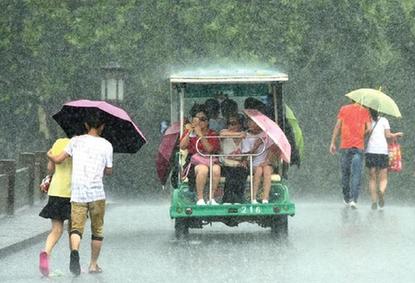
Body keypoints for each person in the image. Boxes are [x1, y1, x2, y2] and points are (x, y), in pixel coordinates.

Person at [47, 112, 113, 276]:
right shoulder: (107, 145)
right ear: (102, 127)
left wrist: (50, 155)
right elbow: (109, 171)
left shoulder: (75, 142)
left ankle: (74, 251)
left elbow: (58, 159)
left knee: (76, 228)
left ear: (86, 125)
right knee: (97, 230)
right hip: (97, 193)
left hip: (78, 193)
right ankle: (93, 264)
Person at [38, 137, 72, 277]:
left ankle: (46, 252)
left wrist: (51, 157)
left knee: (56, 230)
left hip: (56, 190)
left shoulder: (58, 142)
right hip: (72, 192)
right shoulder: (80, 144)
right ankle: (74, 262)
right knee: (73, 230)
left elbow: (50, 168)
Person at [330, 100, 371, 209]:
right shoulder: (365, 111)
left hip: (345, 146)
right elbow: (369, 128)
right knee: (356, 174)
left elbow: (337, 127)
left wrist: (333, 142)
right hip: (358, 147)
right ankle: (354, 200)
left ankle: (346, 197)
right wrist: (362, 134)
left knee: (345, 173)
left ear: (352, 99)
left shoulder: (344, 109)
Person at [180, 104, 221, 205]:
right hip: (195, 162)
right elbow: (182, 146)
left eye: (203, 119)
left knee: (216, 169)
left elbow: (210, 149)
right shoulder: (190, 132)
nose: (200, 122)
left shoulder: (212, 134)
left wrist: (201, 135)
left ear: (207, 121)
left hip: (210, 159)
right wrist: (190, 132)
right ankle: (200, 198)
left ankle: (211, 198)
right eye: (197, 119)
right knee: (203, 169)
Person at [365, 109, 403, 209]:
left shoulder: (367, 120)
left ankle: (374, 202)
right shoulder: (384, 120)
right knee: (384, 177)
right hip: (382, 151)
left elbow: (365, 133)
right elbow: (388, 135)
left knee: (372, 178)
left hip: (371, 151)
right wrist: (396, 134)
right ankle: (381, 191)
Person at [242, 118, 279, 204]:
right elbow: (247, 156)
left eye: (255, 122)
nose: (252, 124)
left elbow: (273, 149)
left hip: (266, 162)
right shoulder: (246, 136)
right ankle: (253, 197)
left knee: (266, 170)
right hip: (254, 163)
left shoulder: (267, 135)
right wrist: (256, 145)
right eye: (250, 122)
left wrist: (267, 161)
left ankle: (265, 198)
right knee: (258, 170)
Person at [220, 114, 248, 204]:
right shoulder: (224, 132)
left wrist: (243, 161)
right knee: (231, 173)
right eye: (229, 123)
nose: (230, 126)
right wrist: (239, 134)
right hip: (225, 164)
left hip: (239, 164)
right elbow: (222, 134)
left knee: (241, 171)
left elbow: (248, 152)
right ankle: (227, 198)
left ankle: (238, 197)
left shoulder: (246, 136)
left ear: (240, 125)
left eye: (234, 123)